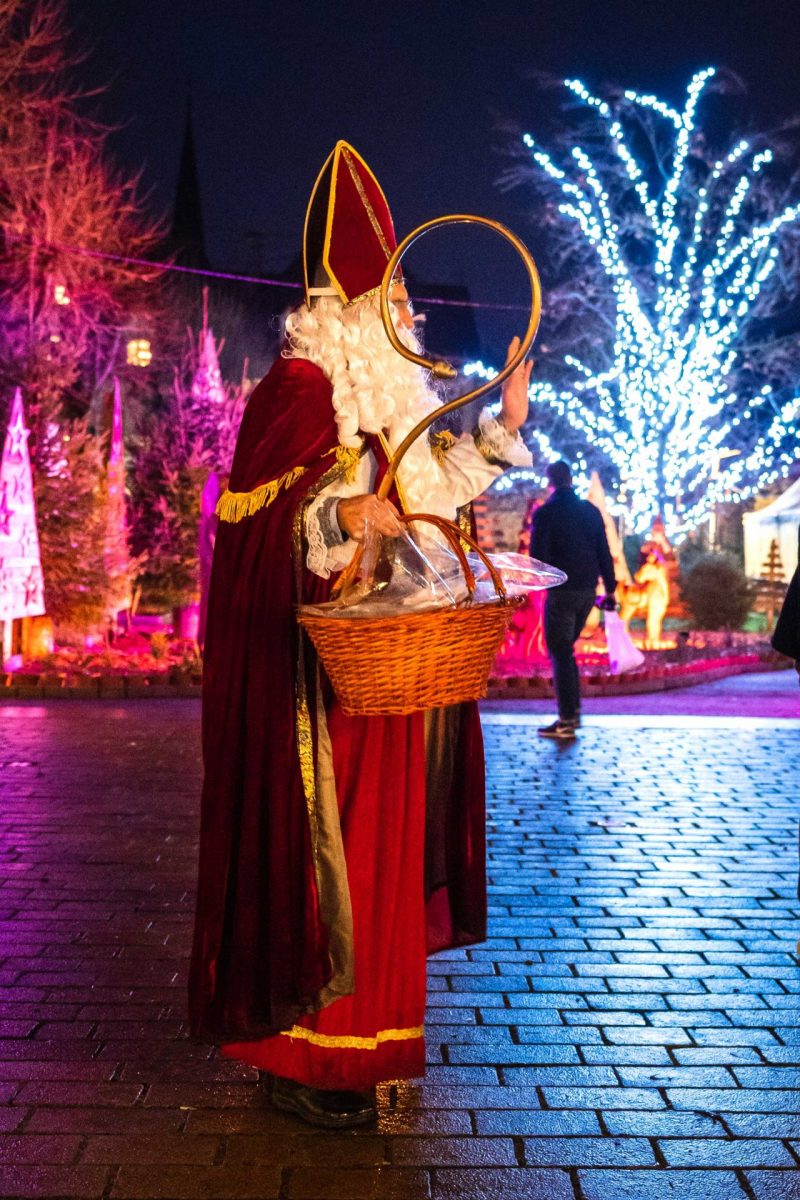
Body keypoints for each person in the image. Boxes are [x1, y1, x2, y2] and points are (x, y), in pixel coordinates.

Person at [188, 141, 534, 1128]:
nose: (405, 314)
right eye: (387, 299)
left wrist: (501, 428)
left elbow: (432, 495)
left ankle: (365, 1046)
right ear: (340, 309)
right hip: (319, 693)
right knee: (325, 868)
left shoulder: (392, 401)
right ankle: (300, 1057)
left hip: (392, 676)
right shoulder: (298, 394)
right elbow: (259, 529)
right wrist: (343, 515)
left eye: (403, 298)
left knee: (381, 865)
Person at [530, 460, 616, 739]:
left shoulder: (546, 514)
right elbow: (604, 551)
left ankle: (567, 719)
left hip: (561, 591)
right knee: (566, 651)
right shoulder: (590, 511)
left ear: (550, 482)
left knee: (561, 652)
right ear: (571, 480)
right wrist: (610, 588)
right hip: (587, 592)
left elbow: (538, 557)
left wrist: (536, 582)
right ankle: (573, 714)